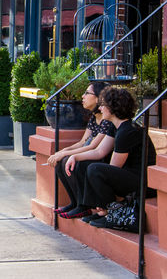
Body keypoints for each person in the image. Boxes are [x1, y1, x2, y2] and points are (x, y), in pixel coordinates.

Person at [73, 87, 157, 227]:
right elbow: (99, 151)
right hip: (129, 175)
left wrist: (105, 198)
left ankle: (110, 212)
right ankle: (100, 210)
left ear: (113, 107)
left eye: (103, 105)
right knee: (86, 164)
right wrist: (75, 157)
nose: (100, 108)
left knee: (95, 169)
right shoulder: (115, 126)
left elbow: (113, 168)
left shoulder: (127, 131)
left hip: (143, 182)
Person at [47, 81, 116, 219]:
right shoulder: (93, 118)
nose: (83, 96)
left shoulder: (107, 120)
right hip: (90, 152)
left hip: (101, 157)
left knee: (74, 163)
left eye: (87, 93)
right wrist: (61, 152)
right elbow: (83, 142)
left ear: (98, 98)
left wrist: (66, 154)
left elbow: (93, 147)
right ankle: (75, 202)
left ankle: (84, 206)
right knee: (61, 163)